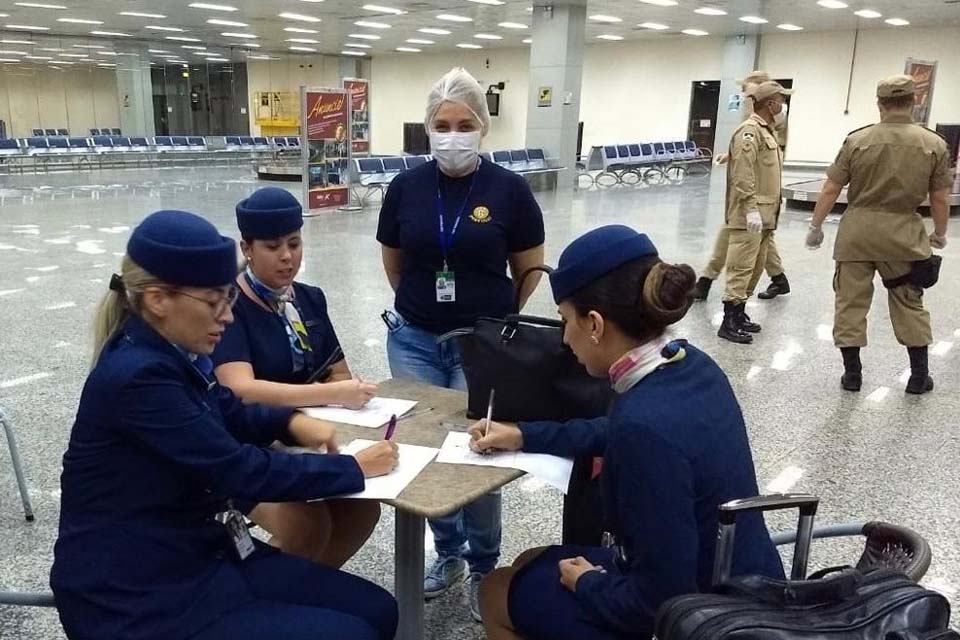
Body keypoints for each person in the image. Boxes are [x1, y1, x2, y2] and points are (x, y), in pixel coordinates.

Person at [51, 210, 400, 640]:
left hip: (196, 557)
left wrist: (292, 422)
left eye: (229, 300)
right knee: (353, 632)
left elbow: (229, 408)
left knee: (379, 610)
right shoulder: (138, 377)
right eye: (215, 301)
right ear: (159, 300)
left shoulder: (173, 355)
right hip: (137, 595)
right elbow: (238, 470)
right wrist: (353, 468)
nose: (228, 317)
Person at [470, 225, 783, 640]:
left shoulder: (644, 428)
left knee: (496, 590)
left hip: (703, 619)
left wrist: (587, 583)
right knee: (531, 558)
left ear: (595, 323)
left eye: (566, 320)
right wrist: (524, 435)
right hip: (750, 582)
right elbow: (615, 430)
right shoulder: (689, 364)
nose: (565, 338)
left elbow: (657, 602)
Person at [376, 66, 546, 619]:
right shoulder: (406, 187)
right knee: (424, 455)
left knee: (479, 451)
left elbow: (529, 267)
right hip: (415, 340)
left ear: (483, 127)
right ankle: (447, 552)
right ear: (428, 128)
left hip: (483, 344)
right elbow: (394, 262)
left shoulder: (508, 190)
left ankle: (483, 568)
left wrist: (497, 324)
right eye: (442, 124)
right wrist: (425, 307)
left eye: (464, 123)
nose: (453, 134)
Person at [213, 187, 381, 567]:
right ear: (247, 249)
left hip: (308, 433)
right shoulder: (228, 307)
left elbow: (338, 373)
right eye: (272, 247)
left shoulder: (307, 298)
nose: (287, 257)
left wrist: (332, 392)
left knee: (361, 509)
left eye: (294, 243)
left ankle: (307, 589)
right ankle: (267, 602)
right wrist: (323, 394)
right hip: (250, 443)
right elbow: (241, 389)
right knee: (306, 522)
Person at [806, 74, 952, 394]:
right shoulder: (934, 143)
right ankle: (917, 376)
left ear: (880, 104)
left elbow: (831, 188)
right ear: (914, 101)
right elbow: (940, 197)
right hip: (904, 237)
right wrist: (939, 232)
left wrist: (815, 226)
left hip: (856, 234)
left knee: (850, 303)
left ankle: (853, 375)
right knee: (908, 302)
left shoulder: (858, 140)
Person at [694, 70, 791, 302]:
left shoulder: (773, 120)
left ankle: (708, 281)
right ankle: (709, 280)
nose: (744, 95)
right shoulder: (752, 120)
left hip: (758, 192)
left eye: (747, 91)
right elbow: (747, 152)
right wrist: (730, 156)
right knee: (752, 240)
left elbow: (767, 153)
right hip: (752, 194)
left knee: (747, 240)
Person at [717, 80, 794, 344]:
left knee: (756, 267)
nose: (783, 105)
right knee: (740, 267)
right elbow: (743, 174)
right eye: (781, 100)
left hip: (766, 216)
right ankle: (728, 320)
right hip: (750, 215)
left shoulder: (767, 131)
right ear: (770, 103)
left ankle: (739, 314)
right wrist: (750, 209)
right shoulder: (749, 132)